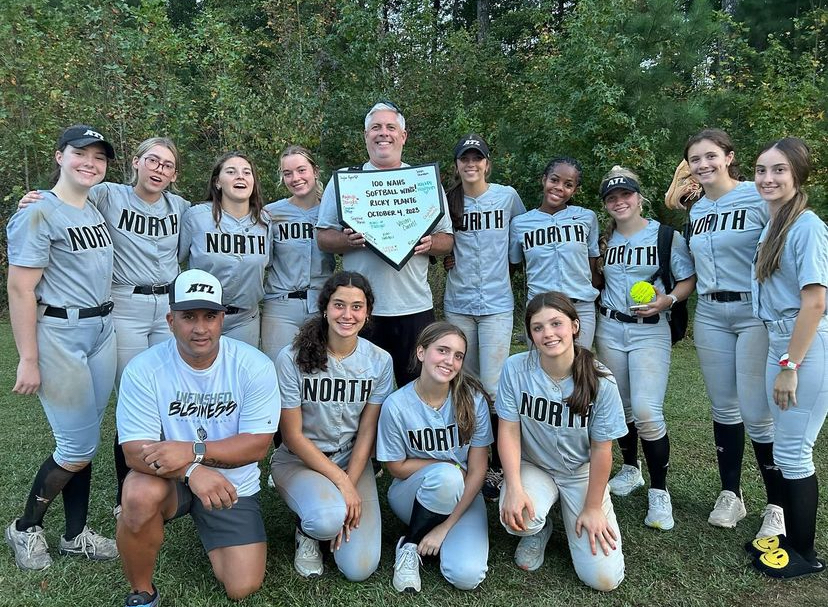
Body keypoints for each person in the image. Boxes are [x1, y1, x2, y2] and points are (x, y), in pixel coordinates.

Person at [18, 136, 190, 515]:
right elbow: (67, 199)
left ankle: (143, 486)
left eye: (167, 164)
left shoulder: (181, 207)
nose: (159, 169)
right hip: (124, 305)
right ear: (136, 162)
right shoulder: (108, 195)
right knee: (133, 400)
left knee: (162, 399)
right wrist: (37, 200)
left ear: (175, 174)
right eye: (153, 161)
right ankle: (122, 499)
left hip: (166, 307)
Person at [115, 269, 280, 606]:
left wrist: (193, 452)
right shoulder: (144, 368)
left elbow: (258, 445)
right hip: (169, 478)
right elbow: (133, 452)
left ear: (222, 318)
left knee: (242, 586)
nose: (200, 328)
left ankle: (211, 523)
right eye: (188, 316)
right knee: (138, 494)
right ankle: (142, 593)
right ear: (170, 320)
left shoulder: (253, 366)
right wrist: (192, 471)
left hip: (230, 484)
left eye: (210, 316)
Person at [5, 124, 119, 570]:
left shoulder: (95, 209)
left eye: (99, 157)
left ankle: (75, 534)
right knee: (74, 447)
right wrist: (28, 359)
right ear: (58, 156)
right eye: (80, 153)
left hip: (102, 331)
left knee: (86, 440)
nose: (89, 162)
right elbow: (19, 289)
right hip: (60, 333)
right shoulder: (37, 212)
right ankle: (24, 526)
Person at [680, 129, 781, 536]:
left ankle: (776, 504)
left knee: (757, 411)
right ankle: (731, 494)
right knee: (724, 406)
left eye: (710, 156)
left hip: (752, 311)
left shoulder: (757, 197)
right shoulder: (696, 211)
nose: (703, 165)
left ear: (729, 157)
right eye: (695, 159)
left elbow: (782, 249)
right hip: (709, 311)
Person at [316, 101, 454, 386]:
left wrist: (430, 243)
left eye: (391, 127)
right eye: (376, 127)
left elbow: (448, 241)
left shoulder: (423, 182)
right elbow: (323, 237)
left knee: (417, 386)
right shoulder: (345, 181)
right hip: (360, 311)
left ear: (403, 136)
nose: (384, 133)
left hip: (414, 307)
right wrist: (347, 240)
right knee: (362, 390)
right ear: (366, 135)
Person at [496, 292, 626, 591]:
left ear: (575, 326)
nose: (548, 334)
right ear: (530, 333)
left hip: (580, 471)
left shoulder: (600, 380)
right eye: (538, 327)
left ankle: (575, 518)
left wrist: (592, 507)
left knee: (604, 579)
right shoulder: (515, 368)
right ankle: (539, 530)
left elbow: (602, 449)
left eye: (557, 323)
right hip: (535, 466)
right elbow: (508, 430)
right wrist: (514, 487)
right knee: (522, 519)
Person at [270, 271, 393, 581]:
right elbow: (292, 435)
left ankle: (331, 513)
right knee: (327, 519)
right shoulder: (291, 357)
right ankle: (307, 531)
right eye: (339, 305)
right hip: (300, 460)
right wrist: (342, 485)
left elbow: (367, 431)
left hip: (352, 459)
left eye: (357, 306)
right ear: (324, 308)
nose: (347, 314)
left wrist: (349, 482)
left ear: (368, 313)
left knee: (359, 568)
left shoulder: (380, 361)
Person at [594, 167, 696, 530]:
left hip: (650, 330)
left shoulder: (665, 236)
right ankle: (630, 469)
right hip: (609, 326)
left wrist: (666, 300)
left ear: (639, 197)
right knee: (620, 407)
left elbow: (687, 279)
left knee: (647, 411)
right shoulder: (605, 240)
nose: (619, 201)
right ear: (606, 205)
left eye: (626, 195)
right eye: (611, 197)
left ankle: (659, 492)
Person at [747, 137, 827, 579]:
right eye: (761, 170)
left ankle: (804, 553)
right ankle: (790, 543)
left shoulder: (807, 225)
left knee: (795, 452)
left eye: (778, 170)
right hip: (780, 339)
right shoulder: (774, 223)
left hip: (803, 345)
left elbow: (815, 302)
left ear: (798, 174)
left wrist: (789, 366)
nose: (767, 178)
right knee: (783, 443)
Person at [377, 322, 493, 593]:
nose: (449, 361)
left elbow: (477, 469)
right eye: (442, 350)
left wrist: (446, 528)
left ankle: (440, 532)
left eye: (458, 355)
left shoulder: (473, 401)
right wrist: (448, 465)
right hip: (413, 493)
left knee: (467, 576)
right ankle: (410, 545)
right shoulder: (397, 404)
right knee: (447, 476)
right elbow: (395, 467)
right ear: (421, 352)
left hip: (464, 494)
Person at [442, 134, 526, 501]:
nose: (471, 164)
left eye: (477, 158)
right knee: (461, 381)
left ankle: (495, 466)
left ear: (487, 163)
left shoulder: (507, 197)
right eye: (465, 159)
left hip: (495, 303)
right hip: (458, 301)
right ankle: (463, 456)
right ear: (458, 164)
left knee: (492, 386)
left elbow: (522, 242)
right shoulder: (448, 199)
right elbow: (438, 242)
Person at [179, 152, 270, 348]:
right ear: (217, 182)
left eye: (247, 172)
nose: (240, 176)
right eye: (231, 171)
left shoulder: (265, 223)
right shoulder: (196, 217)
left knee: (239, 375)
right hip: (201, 316)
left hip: (244, 319)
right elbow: (173, 261)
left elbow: (266, 265)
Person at [509, 157, 600, 348]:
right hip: (540, 307)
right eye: (554, 180)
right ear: (544, 180)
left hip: (580, 306)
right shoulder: (520, 223)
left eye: (568, 184)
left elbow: (592, 261)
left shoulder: (586, 217)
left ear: (575, 190)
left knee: (580, 368)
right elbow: (514, 263)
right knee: (540, 370)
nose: (559, 187)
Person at [261, 145, 335, 362]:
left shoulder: (331, 213)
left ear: (315, 171)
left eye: (302, 170)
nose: (295, 178)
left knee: (319, 374)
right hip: (281, 305)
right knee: (279, 370)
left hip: (322, 303)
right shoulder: (271, 214)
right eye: (287, 173)